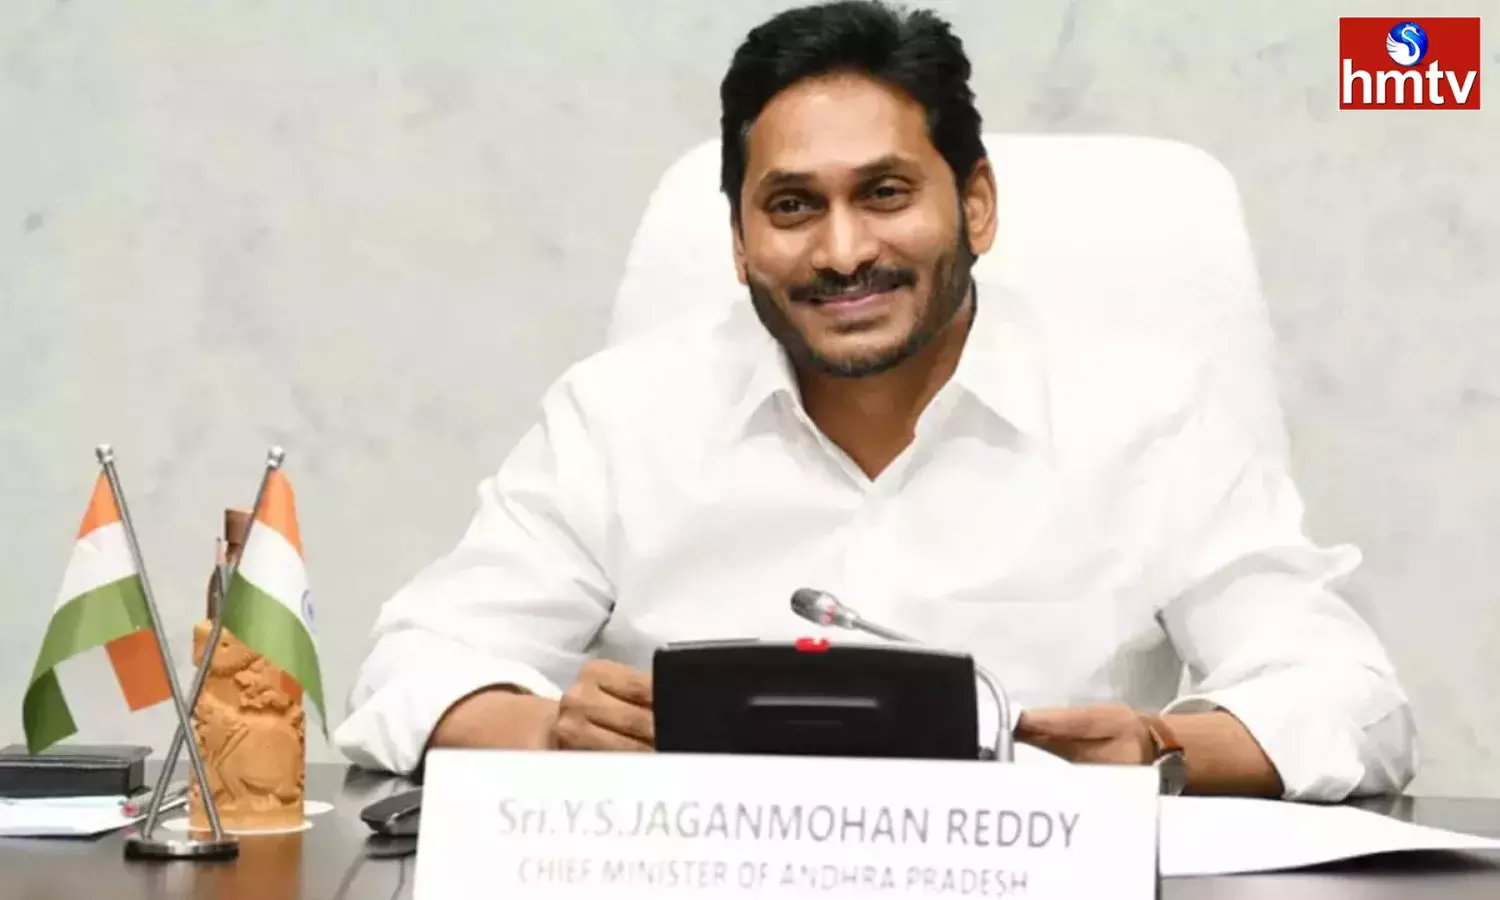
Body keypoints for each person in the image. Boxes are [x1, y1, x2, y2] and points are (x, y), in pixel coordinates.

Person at [334, 0, 1416, 801]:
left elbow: (1351, 700)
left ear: (975, 205)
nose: (843, 251)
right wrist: (551, 732)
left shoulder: (1148, 415)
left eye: (886, 194)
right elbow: (410, 669)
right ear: (739, 240)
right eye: (792, 206)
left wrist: (1161, 748)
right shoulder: (620, 415)